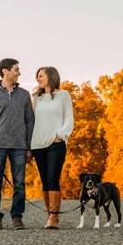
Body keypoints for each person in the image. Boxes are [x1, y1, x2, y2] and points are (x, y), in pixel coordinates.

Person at [0, 58, 34, 230]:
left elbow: (30, 122)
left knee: (19, 184)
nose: (19, 73)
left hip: (19, 147)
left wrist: (29, 147)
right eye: (16, 69)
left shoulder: (24, 95)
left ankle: (17, 217)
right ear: (5, 71)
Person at [30, 66, 74, 230]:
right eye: (37, 76)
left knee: (52, 179)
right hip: (38, 145)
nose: (38, 79)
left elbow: (69, 118)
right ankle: (49, 216)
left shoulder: (63, 95)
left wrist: (60, 135)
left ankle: (54, 218)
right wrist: (30, 146)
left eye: (41, 76)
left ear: (51, 76)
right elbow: (34, 122)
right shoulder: (38, 98)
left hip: (56, 144)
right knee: (44, 181)